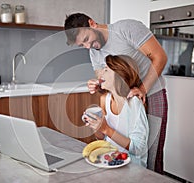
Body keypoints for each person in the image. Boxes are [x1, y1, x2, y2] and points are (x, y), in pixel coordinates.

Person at [64, 13, 168, 174]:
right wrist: (97, 85)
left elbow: (160, 57)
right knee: (124, 151)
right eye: (82, 45)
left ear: (92, 24)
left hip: (152, 92)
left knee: (152, 156)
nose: (87, 46)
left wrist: (142, 89)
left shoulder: (126, 29)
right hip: (125, 100)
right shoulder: (94, 51)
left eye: (86, 39)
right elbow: (105, 82)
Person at [83, 54, 149, 167]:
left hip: (132, 166)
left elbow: (138, 149)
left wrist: (106, 129)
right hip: (110, 160)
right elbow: (101, 137)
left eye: (106, 70)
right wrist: (96, 126)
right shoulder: (104, 99)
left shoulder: (134, 103)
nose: (101, 73)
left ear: (120, 76)